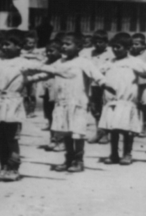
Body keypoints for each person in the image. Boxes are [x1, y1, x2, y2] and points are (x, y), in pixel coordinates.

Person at [0, 30, 54, 182]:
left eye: (8, 44)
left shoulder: (24, 63)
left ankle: (13, 169)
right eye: (3, 44)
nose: (4, 47)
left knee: (11, 139)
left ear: (19, 47)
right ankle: (3, 167)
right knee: (0, 139)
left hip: (11, 104)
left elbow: (46, 69)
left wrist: (61, 71)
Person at [32, 33, 100, 172]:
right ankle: (68, 159)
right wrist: (30, 79)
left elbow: (97, 76)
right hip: (62, 103)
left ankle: (79, 161)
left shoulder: (84, 62)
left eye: (68, 44)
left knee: (78, 132)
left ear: (79, 47)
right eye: (62, 44)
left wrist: (108, 85)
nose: (63, 46)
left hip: (78, 104)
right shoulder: (59, 62)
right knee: (66, 132)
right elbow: (47, 73)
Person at [98, 33, 146, 165]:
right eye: (113, 47)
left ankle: (127, 153)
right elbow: (97, 72)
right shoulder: (109, 62)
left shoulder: (133, 61)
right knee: (113, 129)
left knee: (127, 130)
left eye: (118, 47)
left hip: (126, 101)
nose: (115, 50)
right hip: (112, 102)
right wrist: (102, 82)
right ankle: (114, 154)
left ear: (127, 48)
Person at [81, 29, 115, 144]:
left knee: (108, 108)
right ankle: (99, 131)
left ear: (107, 42)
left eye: (101, 42)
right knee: (95, 109)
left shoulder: (112, 52)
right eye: (96, 42)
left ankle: (106, 133)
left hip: (108, 84)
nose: (98, 44)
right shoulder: (86, 52)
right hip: (93, 84)